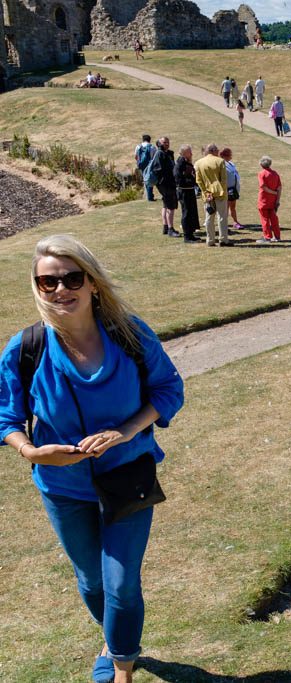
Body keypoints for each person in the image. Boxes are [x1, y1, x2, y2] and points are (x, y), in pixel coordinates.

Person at [0, 235, 184, 683]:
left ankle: (120, 667)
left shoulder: (130, 335)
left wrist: (125, 431)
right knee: (92, 583)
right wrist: (30, 451)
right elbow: (7, 417)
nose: (61, 289)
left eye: (71, 277)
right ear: (37, 287)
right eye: (48, 282)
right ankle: (114, 639)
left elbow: (168, 390)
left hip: (128, 477)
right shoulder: (26, 349)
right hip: (63, 489)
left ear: (93, 283)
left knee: (120, 585)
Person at [194, 144, 231, 247]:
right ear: (214, 150)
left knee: (209, 216)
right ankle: (223, 239)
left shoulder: (198, 163)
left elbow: (198, 181)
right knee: (222, 216)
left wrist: (205, 191)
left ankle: (210, 240)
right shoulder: (220, 161)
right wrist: (223, 191)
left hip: (207, 193)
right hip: (220, 192)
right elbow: (223, 179)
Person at [149, 137, 177, 237]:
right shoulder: (160, 153)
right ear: (159, 143)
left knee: (165, 205)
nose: (167, 144)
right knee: (170, 206)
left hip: (167, 183)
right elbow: (158, 169)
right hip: (166, 184)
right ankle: (170, 229)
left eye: (168, 142)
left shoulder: (168, 153)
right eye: (164, 142)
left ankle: (165, 227)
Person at [172, 144, 197, 242]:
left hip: (189, 190)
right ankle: (187, 236)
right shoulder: (180, 162)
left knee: (191, 212)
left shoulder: (186, 162)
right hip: (184, 191)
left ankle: (191, 234)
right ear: (184, 153)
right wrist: (189, 180)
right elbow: (177, 177)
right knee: (186, 213)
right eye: (189, 151)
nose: (191, 153)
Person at [256, 155, 282, 244]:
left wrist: (273, 193)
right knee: (274, 219)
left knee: (265, 219)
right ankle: (277, 236)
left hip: (264, 200)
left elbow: (263, 187)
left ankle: (267, 237)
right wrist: (277, 199)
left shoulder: (261, 174)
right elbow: (279, 188)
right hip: (273, 201)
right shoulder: (275, 174)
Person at [220, 148, 243, 231]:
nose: (231, 156)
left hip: (234, 189)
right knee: (225, 207)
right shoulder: (221, 164)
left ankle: (235, 222)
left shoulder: (231, 163)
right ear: (224, 156)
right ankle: (224, 224)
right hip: (227, 189)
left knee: (233, 206)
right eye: (229, 155)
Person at [134, 135, 157, 202]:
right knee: (149, 179)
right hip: (150, 166)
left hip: (141, 166)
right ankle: (150, 196)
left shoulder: (138, 146)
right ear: (149, 140)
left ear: (143, 139)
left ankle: (149, 195)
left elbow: (136, 156)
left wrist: (139, 162)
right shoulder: (152, 147)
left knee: (145, 179)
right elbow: (155, 157)